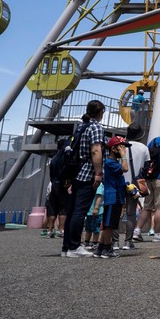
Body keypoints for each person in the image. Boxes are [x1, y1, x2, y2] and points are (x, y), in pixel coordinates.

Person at [62, 99, 106, 258]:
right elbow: (95, 151)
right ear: (100, 112)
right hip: (88, 172)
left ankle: (66, 247)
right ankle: (74, 247)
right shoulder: (95, 127)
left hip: (76, 172)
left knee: (73, 210)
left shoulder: (81, 127)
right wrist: (98, 172)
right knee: (80, 211)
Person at [95, 135, 129, 258]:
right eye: (122, 148)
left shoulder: (113, 163)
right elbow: (125, 168)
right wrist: (124, 155)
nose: (124, 150)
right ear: (114, 149)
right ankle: (107, 248)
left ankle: (101, 248)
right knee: (109, 225)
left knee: (109, 224)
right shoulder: (110, 163)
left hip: (116, 196)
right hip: (113, 197)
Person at [118, 124, 149, 250]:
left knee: (116, 212)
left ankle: (114, 242)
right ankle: (128, 241)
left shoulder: (120, 146)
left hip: (119, 182)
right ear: (140, 135)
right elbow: (146, 168)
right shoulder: (144, 148)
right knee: (131, 213)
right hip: (134, 185)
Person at [137, 134, 160, 242]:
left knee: (147, 207)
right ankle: (158, 234)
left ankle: (137, 231)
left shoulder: (154, 140)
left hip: (149, 177)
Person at [43, 136, 69, 239]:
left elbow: (51, 172)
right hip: (63, 184)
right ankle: (61, 230)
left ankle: (50, 230)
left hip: (54, 184)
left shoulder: (54, 158)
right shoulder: (65, 157)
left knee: (53, 208)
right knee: (63, 208)